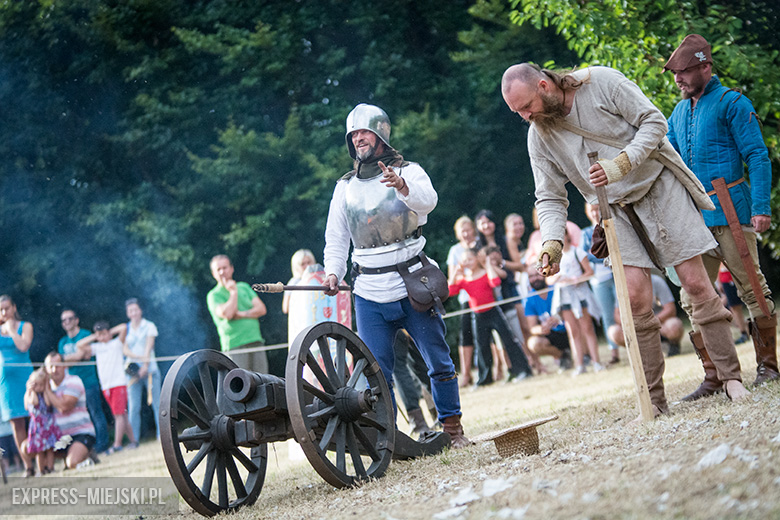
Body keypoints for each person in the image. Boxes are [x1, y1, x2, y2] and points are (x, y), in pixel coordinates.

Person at [501, 62, 751, 417]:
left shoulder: (601, 82)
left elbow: (654, 122)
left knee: (696, 283)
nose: (525, 116)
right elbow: (550, 196)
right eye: (518, 112)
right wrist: (552, 242)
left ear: (543, 85)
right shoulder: (538, 134)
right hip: (615, 210)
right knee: (634, 299)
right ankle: (654, 401)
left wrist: (623, 162)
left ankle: (730, 378)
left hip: (659, 187)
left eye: (526, 106)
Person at [322, 103, 470, 447]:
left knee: (438, 360)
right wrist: (333, 272)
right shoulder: (344, 188)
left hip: (412, 282)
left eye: (364, 132)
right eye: (353, 134)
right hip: (369, 289)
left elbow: (428, 202)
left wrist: (402, 185)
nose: (359, 138)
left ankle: (452, 429)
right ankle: (387, 439)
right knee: (376, 372)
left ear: (380, 134)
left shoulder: (410, 171)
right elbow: (336, 237)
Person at [665, 34, 776, 393]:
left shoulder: (733, 103)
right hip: (695, 219)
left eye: (683, 71)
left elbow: (757, 156)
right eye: (675, 73)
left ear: (705, 67)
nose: (678, 79)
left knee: (752, 289)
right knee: (691, 296)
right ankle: (714, 376)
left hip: (733, 210)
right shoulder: (678, 113)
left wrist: (760, 208)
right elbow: (668, 163)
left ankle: (768, 366)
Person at [448, 248, 533, 386]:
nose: (468, 263)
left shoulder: (485, 273)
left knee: (508, 340)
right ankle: (484, 378)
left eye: (470, 259)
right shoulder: (463, 279)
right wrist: (455, 272)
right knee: (482, 347)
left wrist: (487, 264)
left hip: (493, 312)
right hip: (478, 316)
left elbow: (495, 282)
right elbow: (450, 291)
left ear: (476, 259)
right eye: (464, 261)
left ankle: (523, 370)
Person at [547, 229, 603, 375]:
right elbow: (548, 278)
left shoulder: (577, 252)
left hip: (580, 295)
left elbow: (589, 272)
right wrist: (557, 278)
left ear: (567, 236)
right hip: (564, 296)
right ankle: (580, 365)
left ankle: (596, 361)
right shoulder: (553, 257)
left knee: (587, 328)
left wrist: (575, 280)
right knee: (573, 332)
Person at [77, 321, 137, 454]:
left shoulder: (116, 344)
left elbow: (123, 328)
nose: (102, 337)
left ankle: (117, 444)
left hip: (118, 383)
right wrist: (95, 336)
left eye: (104, 334)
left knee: (118, 415)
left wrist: (108, 332)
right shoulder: (97, 347)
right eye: (100, 335)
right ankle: (134, 441)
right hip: (106, 385)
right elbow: (79, 345)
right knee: (123, 415)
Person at [57, 309, 110, 453]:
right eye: (64, 320)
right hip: (72, 387)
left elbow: (83, 354)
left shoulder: (85, 335)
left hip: (89, 381)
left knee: (95, 413)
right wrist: (76, 356)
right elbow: (63, 362)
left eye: (69, 319)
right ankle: (85, 447)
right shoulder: (63, 342)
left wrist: (69, 358)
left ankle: (102, 446)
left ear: (76, 320)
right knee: (78, 417)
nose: (67, 322)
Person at [207, 254, 269, 374]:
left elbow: (261, 309)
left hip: (255, 340)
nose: (222, 272)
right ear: (213, 274)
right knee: (241, 386)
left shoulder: (244, 287)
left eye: (224, 268)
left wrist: (241, 314)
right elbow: (228, 314)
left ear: (231, 268)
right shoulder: (213, 295)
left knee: (264, 382)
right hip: (235, 345)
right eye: (218, 269)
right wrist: (233, 292)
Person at [0, 294, 35, 476]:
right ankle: (28, 465)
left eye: (7, 308)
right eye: (1, 309)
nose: (4, 312)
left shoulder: (25, 326)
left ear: (14, 307)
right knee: (16, 424)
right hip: (6, 383)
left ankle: (43, 459)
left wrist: (11, 330)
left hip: (25, 379)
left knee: (35, 418)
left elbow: (23, 346)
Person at [581, 203, 620, 364]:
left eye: (597, 209)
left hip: (616, 276)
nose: (595, 213)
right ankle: (614, 351)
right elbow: (586, 255)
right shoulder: (586, 233)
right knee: (607, 315)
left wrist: (598, 254)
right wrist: (604, 254)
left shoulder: (612, 227)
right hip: (599, 280)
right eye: (592, 210)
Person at [609, 274, 685, 357]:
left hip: (658, 324)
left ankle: (670, 344)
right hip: (636, 326)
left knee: (674, 325)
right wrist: (634, 325)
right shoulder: (623, 286)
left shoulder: (656, 281)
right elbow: (617, 315)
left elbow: (670, 309)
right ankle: (639, 352)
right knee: (614, 332)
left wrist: (649, 322)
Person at [44, 351, 96, 469]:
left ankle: (86, 455)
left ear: (64, 366)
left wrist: (46, 391)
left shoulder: (73, 381)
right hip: (60, 438)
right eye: (50, 367)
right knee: (34, 448)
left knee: (72, 463)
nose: (54, 370)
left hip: (81, 434)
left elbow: (64, 407)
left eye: (57, 366)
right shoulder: (47, 385)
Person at [121, 298, 161, 442]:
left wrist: (144, 365)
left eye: (135, 309)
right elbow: (124, 349)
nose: (133, 313)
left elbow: (149, 347)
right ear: (127, 313)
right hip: (132, 372)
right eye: (130, 310)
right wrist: (136, 358)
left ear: (140, 310)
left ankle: (161, 435)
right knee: (133, 406)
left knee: (157, 403)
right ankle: (134, 440)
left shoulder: (149, 326)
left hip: (150, 370)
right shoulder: (125, 328)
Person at [446, 216, 478, 387]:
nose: (466, 234)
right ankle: (466, 374)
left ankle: (497, 369)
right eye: (462, 231)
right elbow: (452, 278)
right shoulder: (454, 251)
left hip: (482, 296)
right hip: (465, 298)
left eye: (468, 229)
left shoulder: (480, 245)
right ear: (458, 234)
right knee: (465, 336)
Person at [524, 271, 573, 371]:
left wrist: (559, 317)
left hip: (568, 329)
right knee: (533, 343)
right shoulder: (529, 299)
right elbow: (532, 328)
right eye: (531, 276)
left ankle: (585, 356)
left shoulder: (556, 288)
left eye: (538, 275)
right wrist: (541, 328)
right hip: (551, 334)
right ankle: (563, 355)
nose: (535, 278)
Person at [22, 369, 62, 475]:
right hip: (37, 427)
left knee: (50, 449)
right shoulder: (30, 395)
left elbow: (48, 403)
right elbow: (33, 402)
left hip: (47, 425)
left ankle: (50, 467)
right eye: (36, 385)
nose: (39, 387)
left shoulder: (44, 394)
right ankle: (41, 470)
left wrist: (46, 389)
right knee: (39, 450)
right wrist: (30, 390)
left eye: (41, 385)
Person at [717, 264, 750, 345]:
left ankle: (745, 332)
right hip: (725, 276)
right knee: (734, 308)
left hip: (731, 275)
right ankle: (745, 331)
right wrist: (719, 281)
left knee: (736, 307)